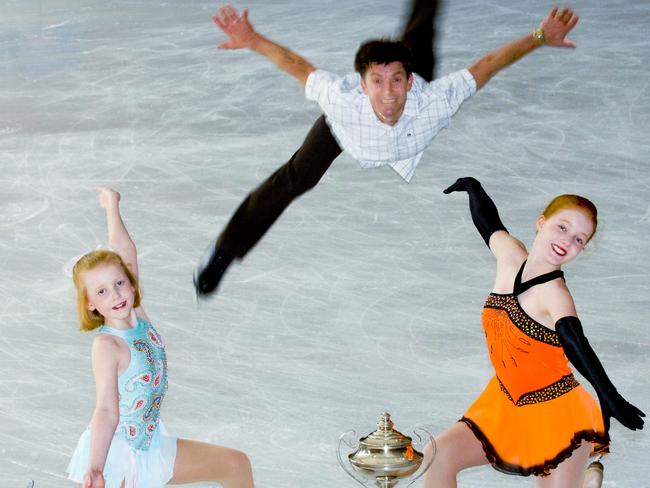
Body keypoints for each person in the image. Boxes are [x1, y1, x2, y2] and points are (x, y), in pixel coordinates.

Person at [195, 2, 580, 297]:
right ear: (361, 86)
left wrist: (541, 35)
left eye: (397, 80)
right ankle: (225, 251)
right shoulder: (342, 100)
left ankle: (411, 47)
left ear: (409, 82)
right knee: (292, 179)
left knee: (419, 33)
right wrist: (252, 39)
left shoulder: (433, 99)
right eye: (376, 82)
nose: (388, 92)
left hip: (417, 108)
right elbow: (296, 64)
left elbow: (488, 64)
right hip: (347, 132)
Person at [420, 177, 645, 487]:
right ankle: (588, 480)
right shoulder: (510, 254)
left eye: (580, 239)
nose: (568, 241)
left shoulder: (555, 293)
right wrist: (474, 188)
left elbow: (575, 342)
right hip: (503, 403)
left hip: (559, 415)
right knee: (437, 454)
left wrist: (609, 396)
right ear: (541, 222)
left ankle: (585, 478)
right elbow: (489, 222)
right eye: (563, 227)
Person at [66, 188, 254, 488]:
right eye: (101, 291)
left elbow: (126, 252)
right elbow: (105, 410)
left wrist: (112, 207)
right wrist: (96, 467)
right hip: (118, 456)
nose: (115, 294)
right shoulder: (107, 346)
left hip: (150, 443)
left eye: (119, 283)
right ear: (90, 303)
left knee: (234, 464)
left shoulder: (137, 314)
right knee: (234, 463)